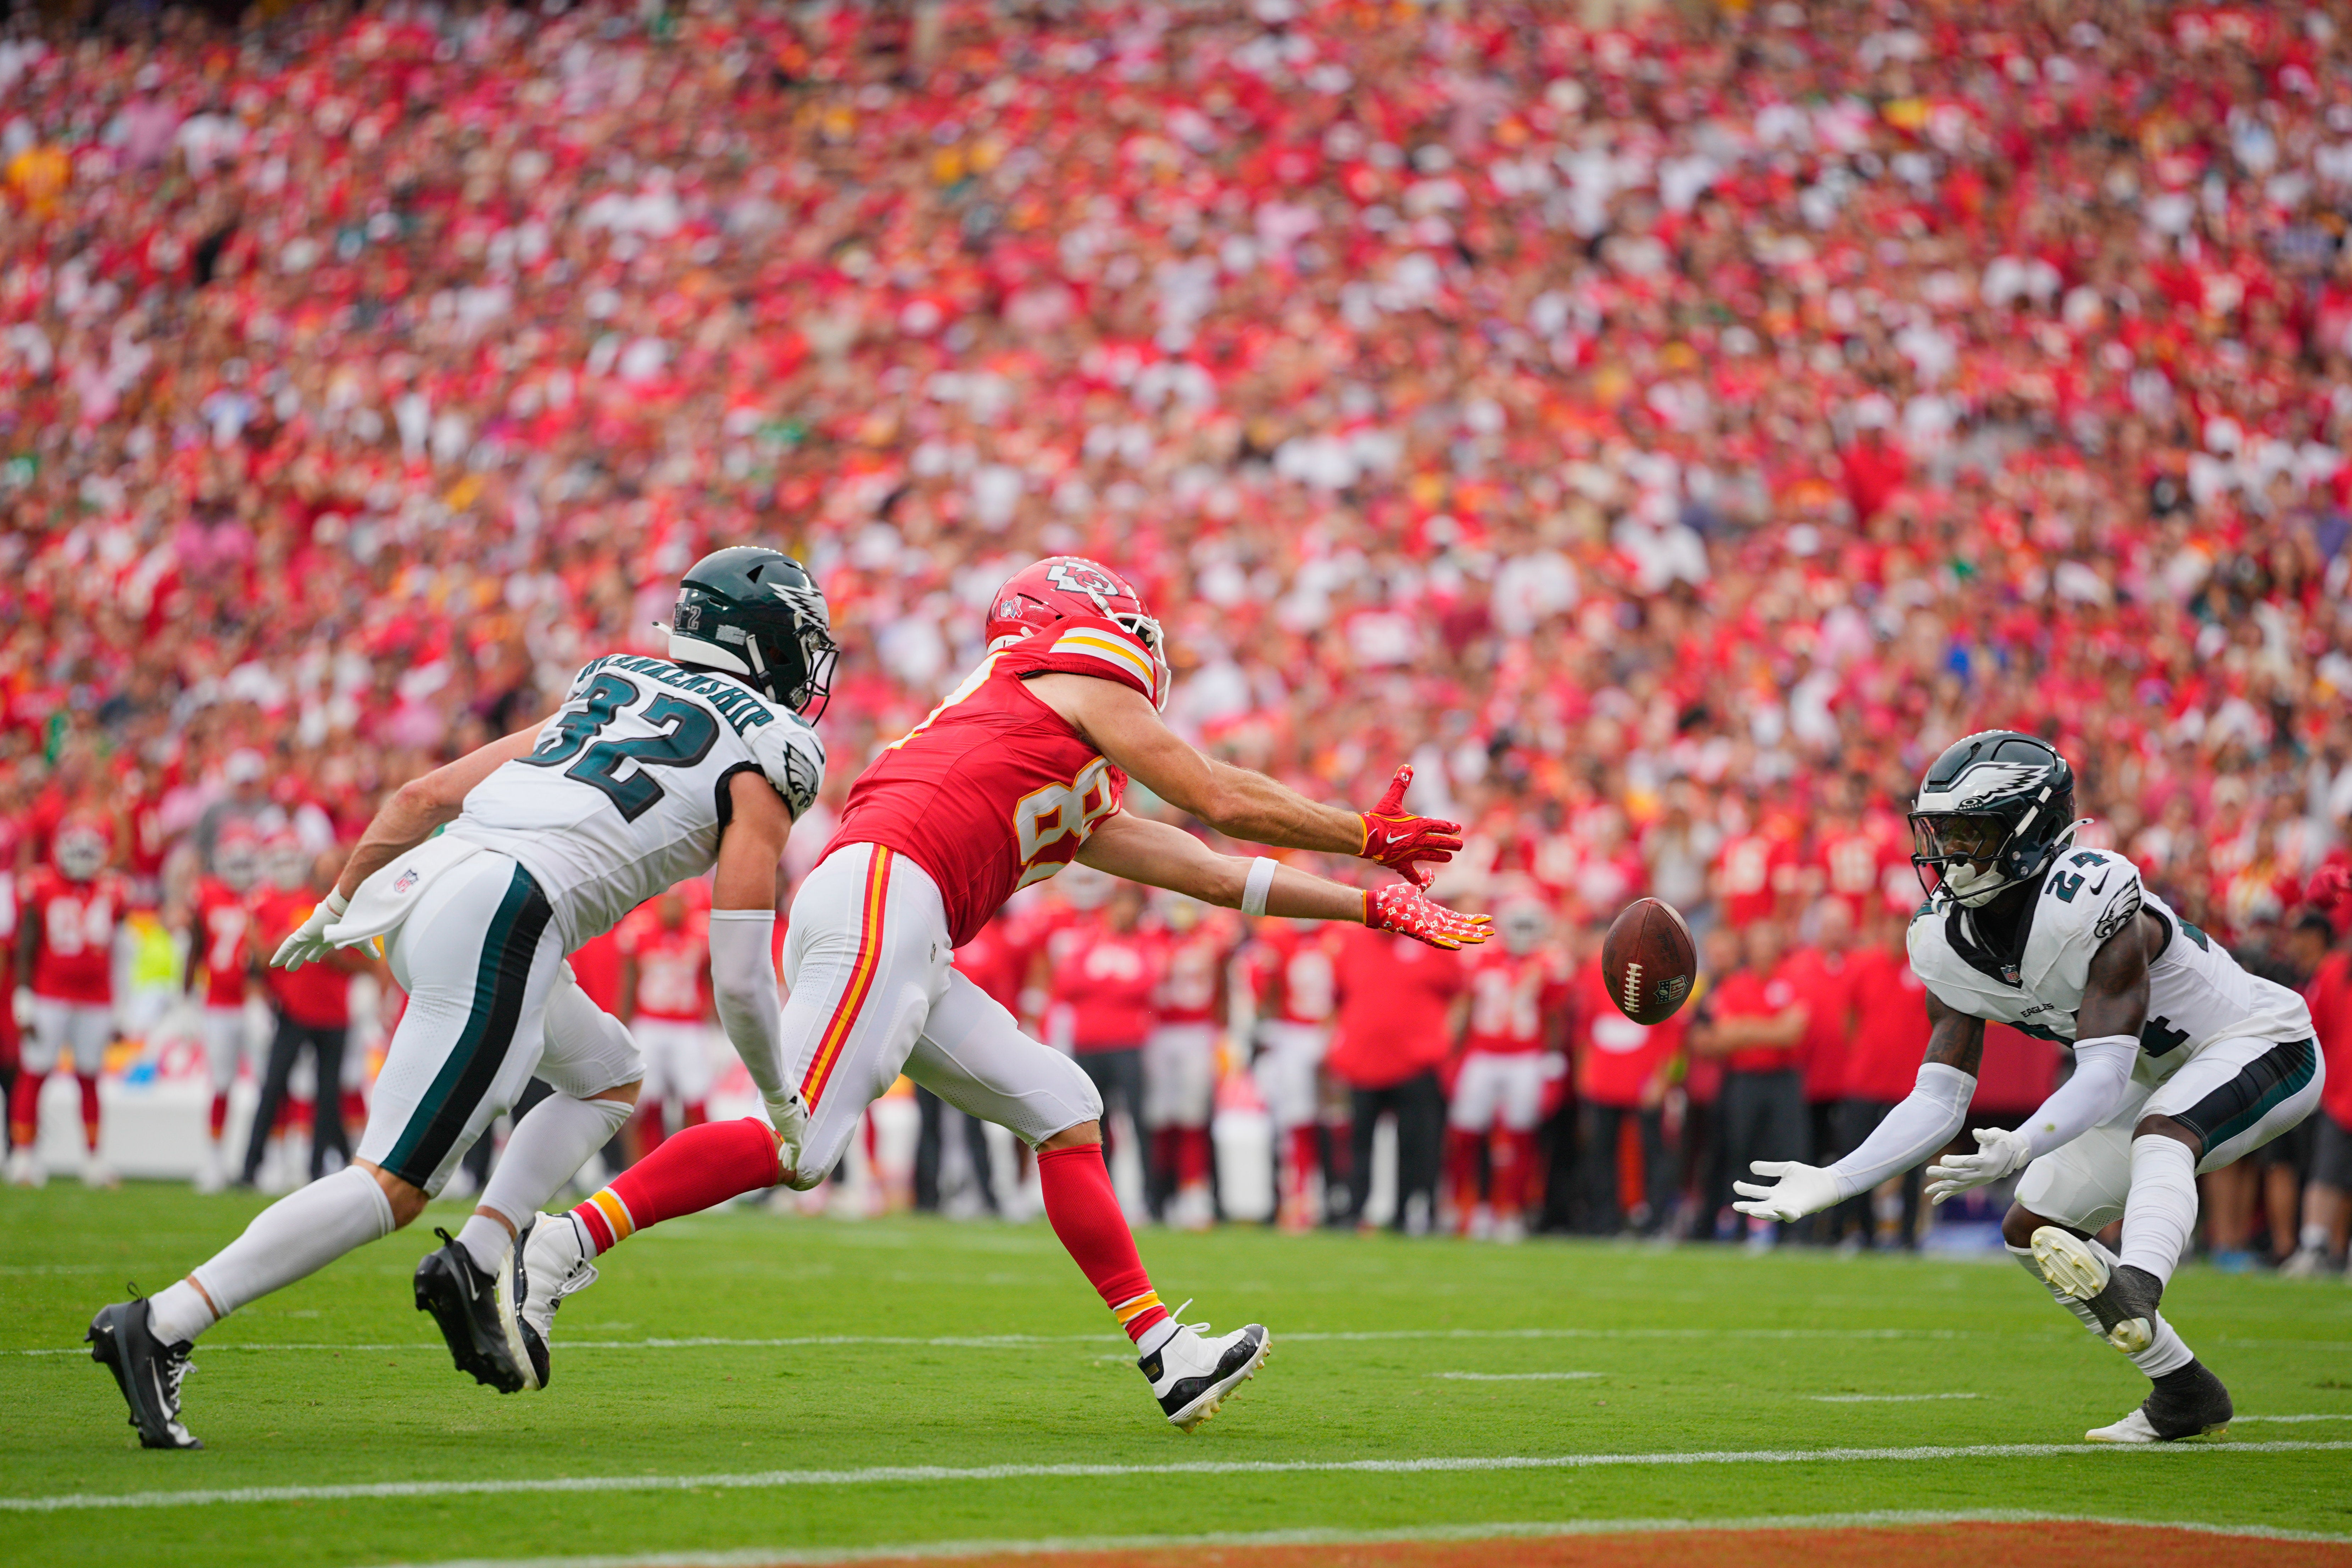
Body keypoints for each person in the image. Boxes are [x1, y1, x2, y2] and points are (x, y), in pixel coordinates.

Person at [514, 557, 1484, 1433]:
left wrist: (1372, 906)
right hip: (890, 891)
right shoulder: (1066, 671)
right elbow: (1213, 795)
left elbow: (1215, 871)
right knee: (797, 1144)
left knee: (1064, 1108)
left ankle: (1166, 1352)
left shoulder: (1043, 742)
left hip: (903, 916)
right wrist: (1359, 830)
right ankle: (559, 1242)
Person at [86, 546, 836, 1450]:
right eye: (799, 637)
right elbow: (743, 975)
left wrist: (337, 902)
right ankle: (162, 1320)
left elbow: (423, 794)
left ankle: (481, 1254)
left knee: (607, 1074)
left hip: (424, 886)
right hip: (510, 910)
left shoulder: (614, 679)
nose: (810, 657)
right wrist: (779, 1097)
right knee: (391, 1185)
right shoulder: (771, 747)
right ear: (760, 644)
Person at [1733, 732, 2323, 1443]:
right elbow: (1937, 1097)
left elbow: (2102, 1073)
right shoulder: (1941, 940)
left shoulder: (2093, 899)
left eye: (1967, 832)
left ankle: (2137, 1281)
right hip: (2152, 1074)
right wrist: (1837, 1179)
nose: (1947, 852)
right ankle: (2181, 1390)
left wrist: (2017, 1143)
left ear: (2028, 831)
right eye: (1940, 831)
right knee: (2031, 1225)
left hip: (2259, 1044)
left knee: (2161, 1129)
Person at [1328, 905, 1470, 1235]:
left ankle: (1410, 1211)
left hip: (1417, 1061)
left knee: (1416, 1144)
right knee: (1358, 1143)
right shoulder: (1351, 943)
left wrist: (1449, 1038)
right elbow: (1339, 998)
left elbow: (1462, 993)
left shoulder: (1433, 940)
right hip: (1362, 1060)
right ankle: (1355, 1208)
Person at [240, 847, 367, 1189]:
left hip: (334, 1015)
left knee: (328, 1096)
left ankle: (317, 1168)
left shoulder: (352, 912)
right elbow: (264, 957)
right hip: (294, 1011)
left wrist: (332, 953)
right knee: (273, 1087)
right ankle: (250, 1166)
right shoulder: (289, 903)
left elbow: (366, 963)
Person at [10, 815, 123, 1188]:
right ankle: (24, 1157)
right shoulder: (41, 886)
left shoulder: (111, 889)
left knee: (90, 1077)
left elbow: (120, 951)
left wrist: (121, 1004)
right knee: (35, 1072)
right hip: (50, 994)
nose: (85, 858)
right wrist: (23, 994)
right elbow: (27, 944)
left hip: (95, 998)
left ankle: (93, 1159)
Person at [1446, 896, 1567, 1241]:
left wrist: (1553, 1060)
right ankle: (1466, 1207)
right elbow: (1466, 1008)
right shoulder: (1481, 957)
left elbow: (1554, 1015)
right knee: (1466, 1132)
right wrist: (1454, 1053)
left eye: (1530, 926)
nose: (1523, 934)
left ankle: (1511, 1210)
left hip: (1526, 1056)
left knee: (1520, 1136)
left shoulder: (1549, 963)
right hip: (1482, 1053)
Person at [1691, 917, 1810, 1246]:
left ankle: (1790, 1231)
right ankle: (1742, 1227)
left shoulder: (1791, 980)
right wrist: (1770, 1028)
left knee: (1788, 1155)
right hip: (1745, 1080)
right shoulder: (1735, 984)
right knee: (1741, 1152)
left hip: (1783, 1079)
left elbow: (1793, 1032)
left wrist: (1747, 1030)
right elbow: (1724, 1035)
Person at [1044, 877, 1162, 1205]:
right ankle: (1102, 1198)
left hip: (1128, 1044)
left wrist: (1100, 985)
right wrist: (1115, 983)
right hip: (1089, 1045)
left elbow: (1146, 984)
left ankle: (1151, 1198)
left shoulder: (1146, 942)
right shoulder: (1089, 939)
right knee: (1096, 1125)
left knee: (1139, 1120)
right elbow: (1066, 983)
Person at [1575, 921, 1685, 1238]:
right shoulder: (1593, 973)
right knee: (1600, 1154)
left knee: (1656, 1153)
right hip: (1605, 1077)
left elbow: (1674, 1034)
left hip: (1644, 1079)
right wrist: (1585, 1073)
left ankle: (1656, 1221)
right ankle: (1604, 1221)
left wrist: (1663, 1079)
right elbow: (1585, 1027)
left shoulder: (1665, 968)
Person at [1834, 909, 1934, 1249]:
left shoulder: (1925, 968)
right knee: (1859, 1158)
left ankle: (1908, 1235)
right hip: (1865, 1081)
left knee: (1910, 1164)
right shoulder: (1863, 966)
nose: (1896, 931)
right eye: (1892, 923)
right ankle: (1864, 1230)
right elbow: (1849, 1019)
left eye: (1903, 924)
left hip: (1909, 1084)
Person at [1246, 916, 1346, 1229]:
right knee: (1296, 1120)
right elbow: (1263, 990)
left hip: (1333, 1031)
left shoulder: (1340, 935)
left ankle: (1338, 1197)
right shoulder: (1276, 939)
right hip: (1291, 1033)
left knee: (1338, 1120)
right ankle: (1299, 1198)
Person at [183, 828, 262, 1193]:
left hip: (256, 1001)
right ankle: (214, 1160)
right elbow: (196, 945)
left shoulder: (266, 896)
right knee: (221, 1083)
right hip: (217, 1003)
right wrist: (185, 997)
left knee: (270, 1083)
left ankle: (272, 1158)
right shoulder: (208, 894)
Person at [1145, 895, 1230, 1229]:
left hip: (1197, 1031)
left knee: (1193, 1116)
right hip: (1158, 1031)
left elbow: (1225, 987)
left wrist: (1224, 1032)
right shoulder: (1150, 936)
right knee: (1159, 1116)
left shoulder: (1214, 937)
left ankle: (1193, 1192)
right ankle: (1160, 1195)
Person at [617, 887, 716, 1153]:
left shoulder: (701, 928)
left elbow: (710, 976)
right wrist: (622, 1028)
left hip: (688, 1024)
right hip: (650, 1023)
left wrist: (716, 1018)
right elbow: (629, 981)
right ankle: (644, 1168)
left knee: (696, 1100)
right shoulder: (640, 926)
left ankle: (698, 1166)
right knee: (646, 1103)